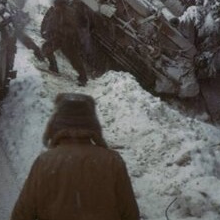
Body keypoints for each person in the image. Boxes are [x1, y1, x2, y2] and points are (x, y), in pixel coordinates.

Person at [11, 93, 140, 220]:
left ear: (56, 125)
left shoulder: (44, 163)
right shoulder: (112, 161)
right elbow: (130, 214)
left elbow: (22, 214)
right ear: (93, 125)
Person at [40, 0, 91, 86]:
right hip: (58, 38)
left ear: (61, 5)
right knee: (46, 49)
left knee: (74, 59)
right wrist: (50, 31)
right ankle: (53, 67)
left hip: (68, 40)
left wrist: (61, 32)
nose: (55, 7)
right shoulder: (57, 12)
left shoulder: (69, 13)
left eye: (57, 6)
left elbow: (73, 28)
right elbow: (52, 22)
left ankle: (83, 78)